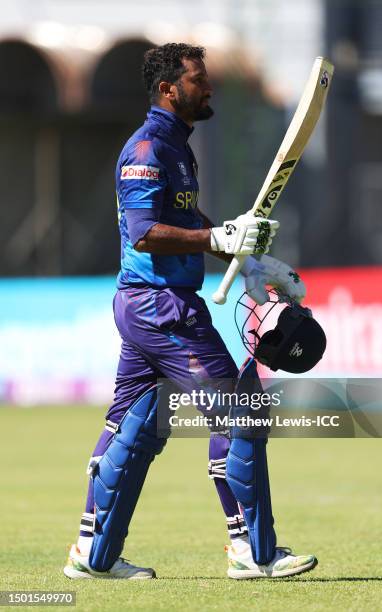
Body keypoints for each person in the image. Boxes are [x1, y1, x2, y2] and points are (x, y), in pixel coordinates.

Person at [64, 43, 317, 580]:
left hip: (150, 306)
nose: (209, 87)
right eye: (198, 79)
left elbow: (186, 219)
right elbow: (144, 233)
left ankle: (93, 554)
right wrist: (212, 235)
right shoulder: (148, 150)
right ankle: (251, 549)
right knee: (240, 410)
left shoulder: (177, 147)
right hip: (163, 308)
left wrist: (245, 255)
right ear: (168, 89)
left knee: (134, 426)